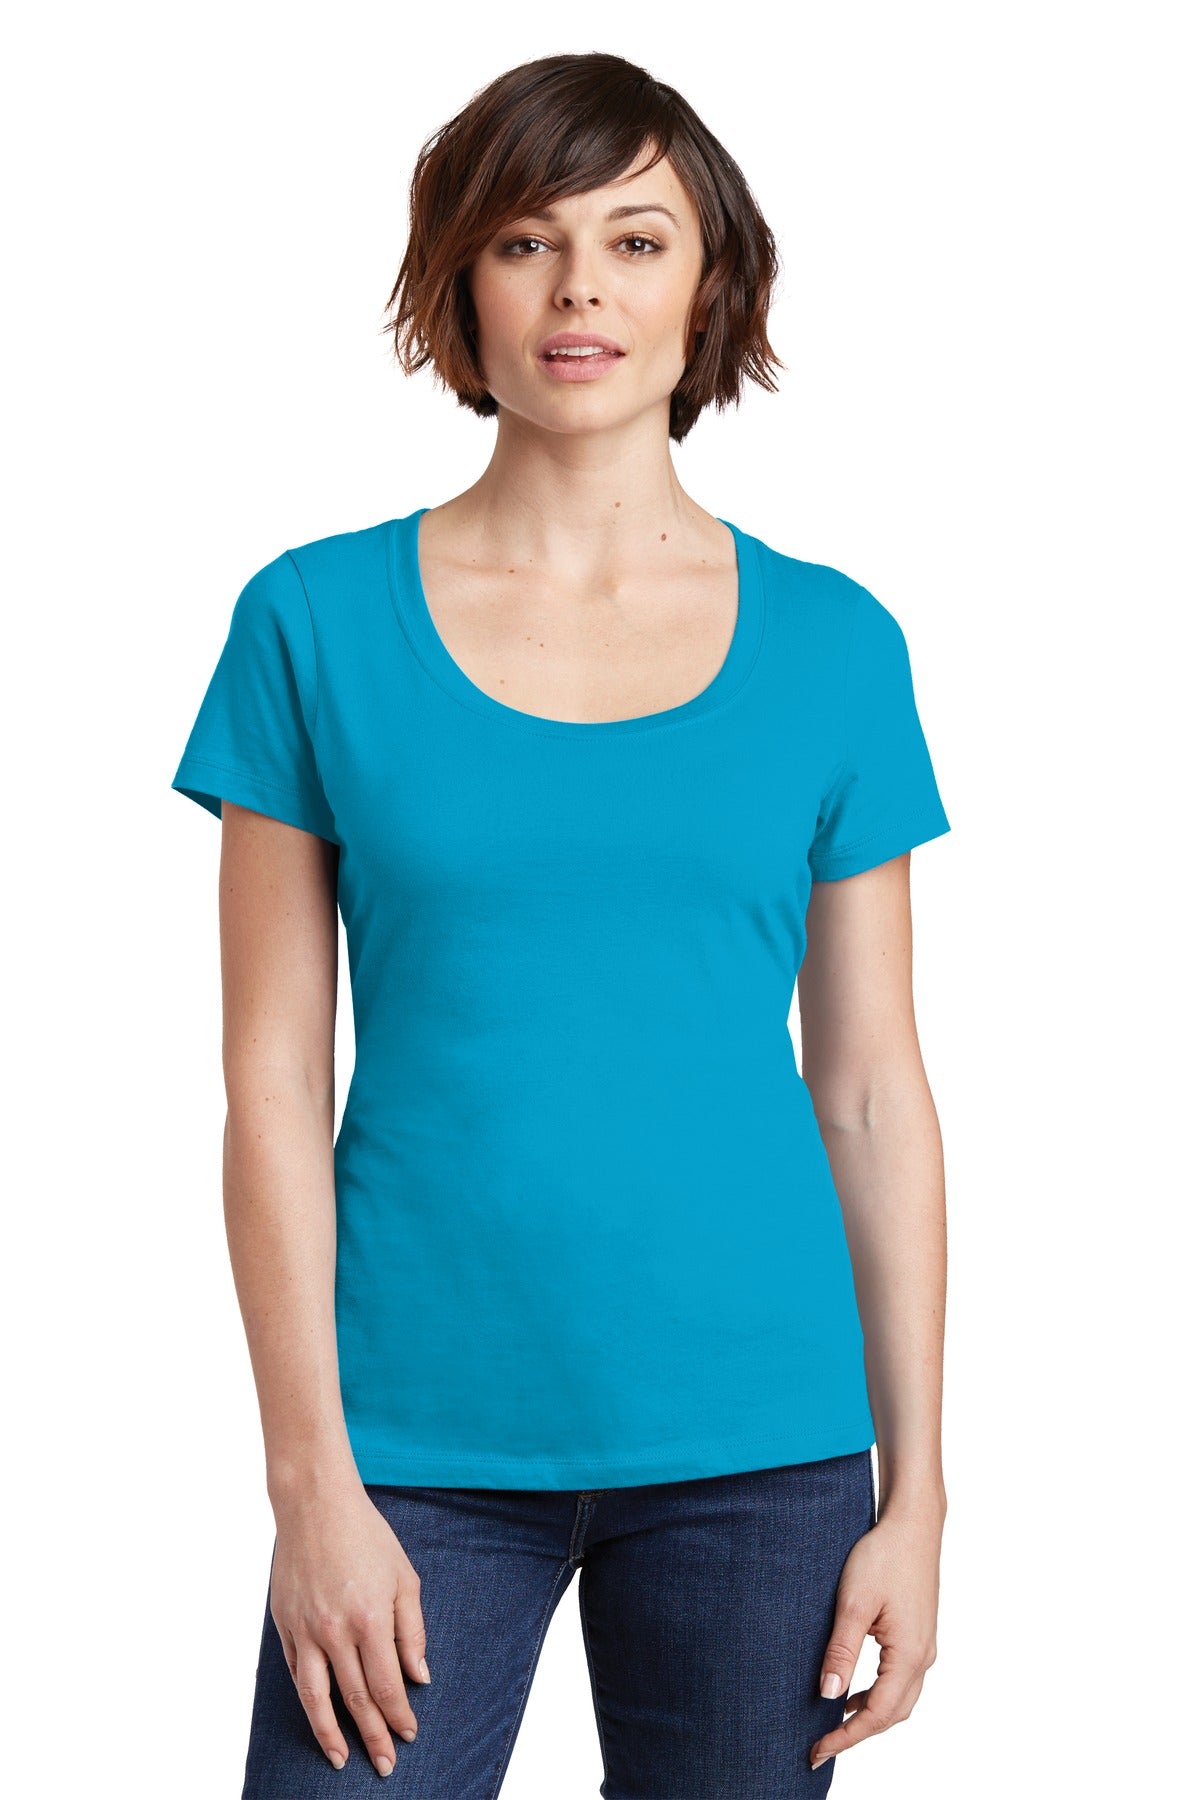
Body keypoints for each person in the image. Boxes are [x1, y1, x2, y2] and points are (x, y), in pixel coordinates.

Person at [171, 51, 951, 1800]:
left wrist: (921, 1494)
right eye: (526, 241)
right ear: (462, 286)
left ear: (710, 286)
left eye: (636, 240)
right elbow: (273, 1082)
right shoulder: (311, 622)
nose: (581, 288)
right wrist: (310, 1484)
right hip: (410, 1448)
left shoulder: (838, 646)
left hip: (762, 1448)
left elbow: (871, 1091)